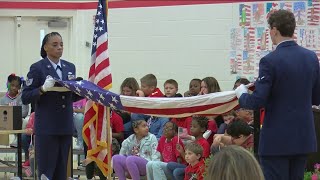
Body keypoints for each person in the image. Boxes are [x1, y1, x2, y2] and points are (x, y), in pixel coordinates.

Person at [235, 10, 320, 180]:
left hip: (277, 140)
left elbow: (258, 101)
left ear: (274, 30)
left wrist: (241, 94)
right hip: (302, 137)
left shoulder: (269, 60)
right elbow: (316, 98)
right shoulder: (311, 57)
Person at [21, 32, 82, 179]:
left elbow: (70, 97)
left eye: (61, 44)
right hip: (47, 127)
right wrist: (42, 89)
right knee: (46, 171)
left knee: (62, 171)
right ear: (45, 47)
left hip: (65, 126)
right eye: (55, 45)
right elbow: (25, 97)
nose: (59, 48)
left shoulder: (69, 67)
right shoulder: (38, 68)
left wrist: (81, 89)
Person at [0, 74, 30, 147]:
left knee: (25, 120)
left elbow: (25, 112)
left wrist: (14, 115)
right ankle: (3, 143)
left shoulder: (22, 97)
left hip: (19, 120)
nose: (14, 88)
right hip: (5, 121)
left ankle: (18, 139)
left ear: (19, 87)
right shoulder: (2, 99)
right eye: (12, 85)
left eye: (17, 86)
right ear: (8, 84)